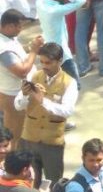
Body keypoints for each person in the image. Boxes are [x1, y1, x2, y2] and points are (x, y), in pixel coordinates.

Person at [14, 42, 76, 184]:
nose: (44, 66)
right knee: (28, 180)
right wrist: (24, 95)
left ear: (59, 61)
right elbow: (18, 106)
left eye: (48, 62)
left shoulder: (69, 83)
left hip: (52, 143)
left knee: (54, 181)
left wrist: (43, 101)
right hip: (29, 139)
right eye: (41, 62)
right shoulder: (33, 77)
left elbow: (67, 111)